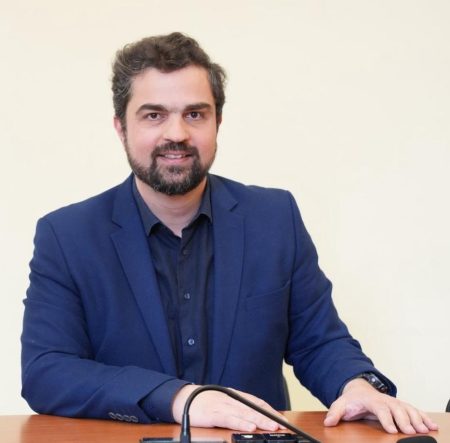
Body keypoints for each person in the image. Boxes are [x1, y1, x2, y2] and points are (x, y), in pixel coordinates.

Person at [21, 32, 437, 436]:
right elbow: (47, 371)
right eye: (154, 115)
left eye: (195, 114)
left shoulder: (275, 218)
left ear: (217, 122)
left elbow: (319, 341)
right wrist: (179, 398)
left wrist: (355, 385)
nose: (177, 134)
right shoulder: (66, 236)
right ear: (120, 127)